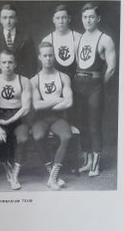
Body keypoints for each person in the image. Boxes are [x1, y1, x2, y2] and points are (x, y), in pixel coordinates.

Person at [74, 3, 116, 177]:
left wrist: (100, 84)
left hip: (95, 86)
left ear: (98, 18)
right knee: (82, 125)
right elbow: (77, 63)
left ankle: (96, 165)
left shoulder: (105, 39)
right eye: (85, 17)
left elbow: (111, 67)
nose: (88, 20)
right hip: (78, 85)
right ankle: (87, 162)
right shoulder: (79, 38)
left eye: (91, 17)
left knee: (94, 126)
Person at [0, 50, 31, 190]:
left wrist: (10, 121)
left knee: (23, 139)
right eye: (4, 62)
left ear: (15, 64)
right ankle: (7, 168)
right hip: (0, 117)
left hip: (18, 117)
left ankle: (15, 175)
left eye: (10, 62)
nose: (7, 66)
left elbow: (26, 108)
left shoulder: (24, 80)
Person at [31, 42, 73, 190]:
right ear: (40, 58)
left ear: (54, 56)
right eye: (45, 56)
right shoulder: (34, 80)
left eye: (50, 55)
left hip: (58, 117)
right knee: (37, 136)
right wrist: (57, 99)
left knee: (67, 136)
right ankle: (54, 176)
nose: (48, 58)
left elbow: (69, 102)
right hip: (40, 118)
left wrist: (48, 104)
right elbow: (36, 105)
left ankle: (52, 178)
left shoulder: (64, 77)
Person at [0, 4, 37, 78]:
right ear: (0, 20)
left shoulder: (26, 38)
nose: (8, 21)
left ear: (16, 19)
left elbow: (33, 63)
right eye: (5, 18)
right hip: (1, 80)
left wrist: (25, 81)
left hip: (21, 80)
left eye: (11, 18)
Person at [42, 4, 81, 79]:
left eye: (64, 18)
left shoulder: (78, 37)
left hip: (75, 82)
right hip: (55, 81)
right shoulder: (47, 39)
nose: (61, 21)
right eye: (57, 18)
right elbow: (44, 68)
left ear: (69, 19)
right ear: (53, 20)